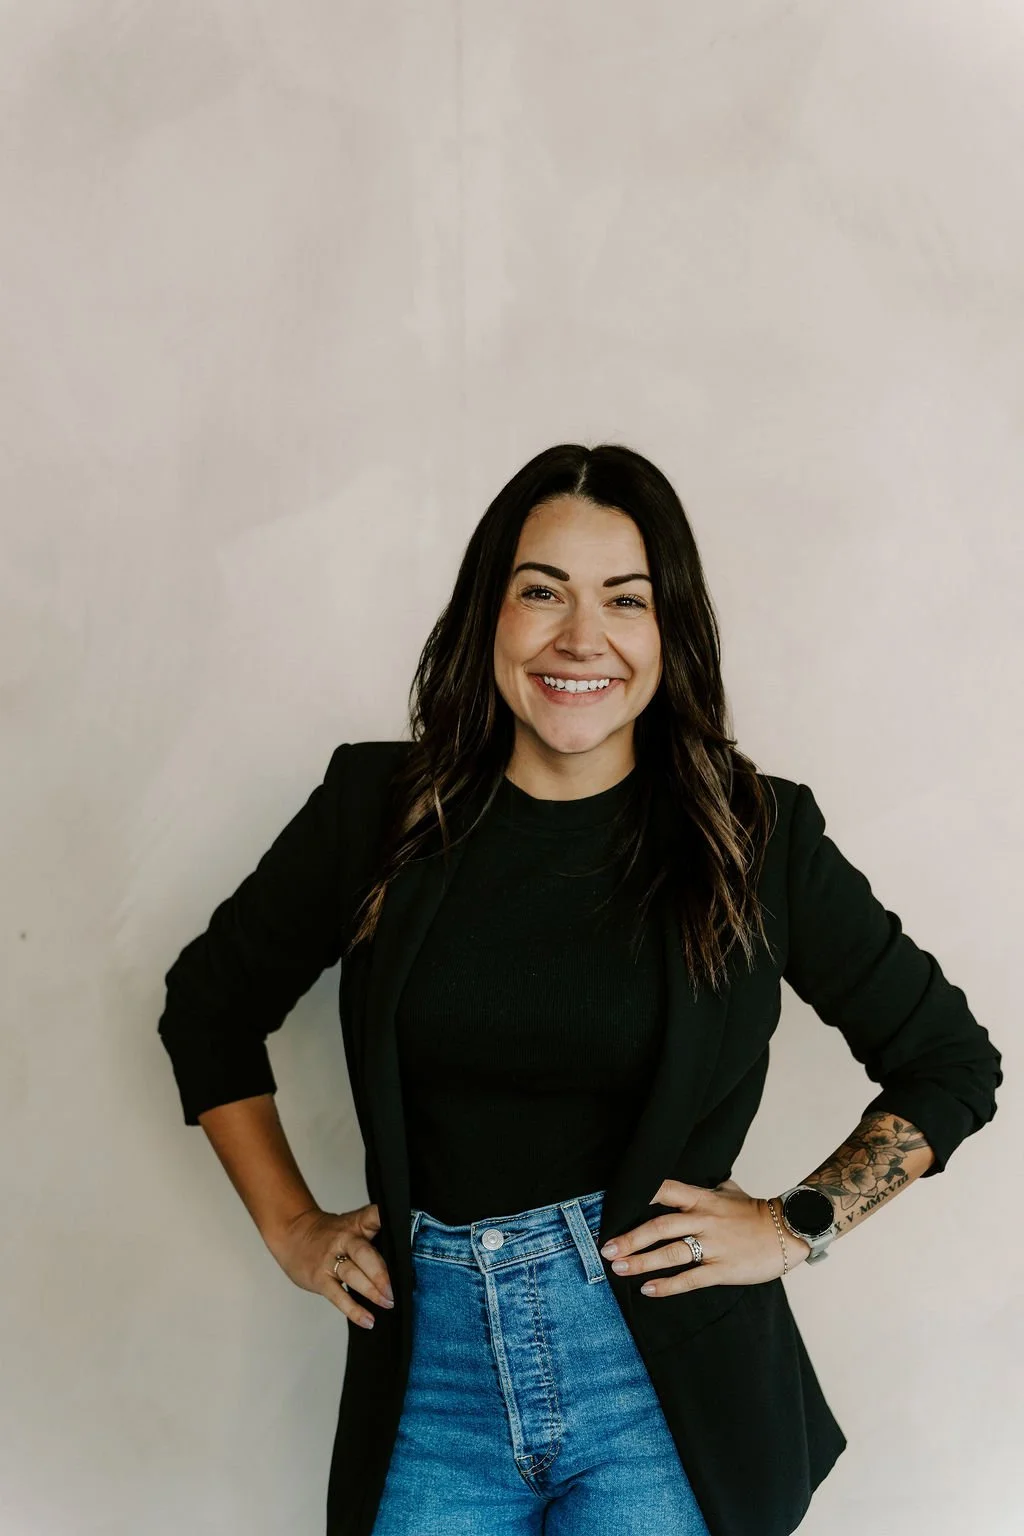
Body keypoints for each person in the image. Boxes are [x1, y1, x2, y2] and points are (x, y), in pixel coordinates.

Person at [157, 442, 1002, 1536]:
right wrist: (290, 1228)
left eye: (624, 599)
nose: (579, 638)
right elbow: (209, 1007)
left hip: (657, 1390)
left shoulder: (756, 837)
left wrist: (798, 1225)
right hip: (431, 1383)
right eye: (541, 591)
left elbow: (949, 1060)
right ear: (488, 615)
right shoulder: (377, 811)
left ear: (669, 634)